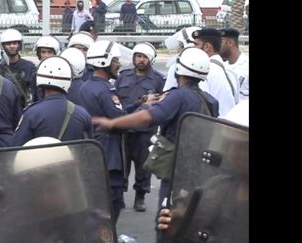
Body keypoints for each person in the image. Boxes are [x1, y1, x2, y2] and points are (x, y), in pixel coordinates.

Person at [92, 47, 219, 228]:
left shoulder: (178, 96)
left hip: (176, 170)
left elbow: (148, 117)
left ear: (178, 70)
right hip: (198, 167)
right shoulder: (210, 100)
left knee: (166, 222)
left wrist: (112, 123)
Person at [156, 112, 248, 243]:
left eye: (243, 147)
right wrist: (177, 227)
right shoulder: (216, 186)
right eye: (231, 145)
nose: (233, 153)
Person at [79, 40, 127, 224]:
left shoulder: (85, 87)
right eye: (115, 60)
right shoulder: (106, 89)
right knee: (112, 203)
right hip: (110, 154)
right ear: (103, 62)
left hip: (92, 152)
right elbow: (119, 119)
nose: (119, 64)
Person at [115, 42, 165, 212]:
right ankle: (119, 196)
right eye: (138, 56)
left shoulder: (157, 79)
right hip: (124, 129)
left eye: (144, 57)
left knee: (143, 166)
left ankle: (140, 196)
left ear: (150, 60)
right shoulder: (123, 76)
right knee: (122, 165)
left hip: (144, 132)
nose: (141, 60)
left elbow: (161, 104)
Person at [11, 56, 93, 146]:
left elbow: (16, 147)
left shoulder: (31, 113)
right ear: (69, 81)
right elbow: (89, 150)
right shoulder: (83, 115)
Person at [192, 28, 238, 116]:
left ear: (207, 47)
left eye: (196, 44)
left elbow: (201, 107)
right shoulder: (230, 72)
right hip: (230, 126)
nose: (193, 48)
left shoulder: (205, 72)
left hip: (214, 126)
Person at [0, 28, 36, 108]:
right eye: (8, 44)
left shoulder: (29, 66)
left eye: (15, 43)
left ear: (20, 45)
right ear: (2, 46)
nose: (12, 46)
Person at [163, 26, 201, 91]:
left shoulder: (177, 66)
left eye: (181, 45)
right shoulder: (208, 63)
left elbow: (168, 93)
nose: (178, 49)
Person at [219, 28, 249, 101]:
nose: (217, 46)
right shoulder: (221, 66)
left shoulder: (246, 65)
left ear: (230, 43)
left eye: (220, 42)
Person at [30, 35, 62, 102]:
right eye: (43, 52)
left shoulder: (62, 72)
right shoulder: (35, 74)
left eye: (49, 52)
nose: (46, 55)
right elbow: (35, 98)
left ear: (55, 53)